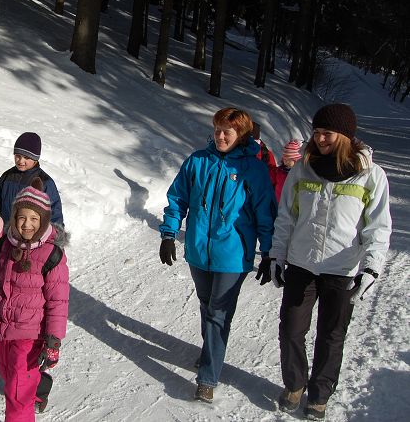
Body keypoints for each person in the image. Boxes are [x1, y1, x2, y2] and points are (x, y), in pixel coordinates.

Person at [264, 104, 392, 420]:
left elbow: (378, 227)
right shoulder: (302, 169)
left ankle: (319, 395)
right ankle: (295, 384)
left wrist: (371, 268)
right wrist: (277, 255)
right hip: (302, 264)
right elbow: (286, 217)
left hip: (343, 269)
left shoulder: (371, 175)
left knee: (331, 335)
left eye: (328, 133)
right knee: (290, 329)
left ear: (345, 136)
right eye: (317, 132)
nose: (320, 139)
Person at [159, 107, 276, 403]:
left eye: (228, 132)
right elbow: (178, 198)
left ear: (242, 135)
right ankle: (210, 350)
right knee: (205, 304)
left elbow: (265, 213)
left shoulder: (253, 169)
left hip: (233, 256)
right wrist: (169, 233)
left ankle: (208, 377)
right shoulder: (198, 161)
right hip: (199, 251)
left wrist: (269, 252)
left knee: (218, 313)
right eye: (217, 130)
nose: (221, 136)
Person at [0, 179, 69, 421]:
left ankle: (27, 398)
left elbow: (58, 303)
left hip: (30, 334)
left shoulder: (51, 255)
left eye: (34, 219)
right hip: (0, 330)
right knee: (10, 377)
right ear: (14, 217)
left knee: (17, 393)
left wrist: (53, 340)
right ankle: (37, 385)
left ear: (43, 221)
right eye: (22, 217)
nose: (27, 224)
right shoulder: (4, 246)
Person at [0, 132, 64, 232]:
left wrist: (54, 236)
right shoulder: (7, 176)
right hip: (5, 234)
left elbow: (54, 215)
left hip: (30, 236)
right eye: (18, 156)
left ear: (35, 159)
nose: (20, 161)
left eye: (26, 157)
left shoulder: (45, 182)